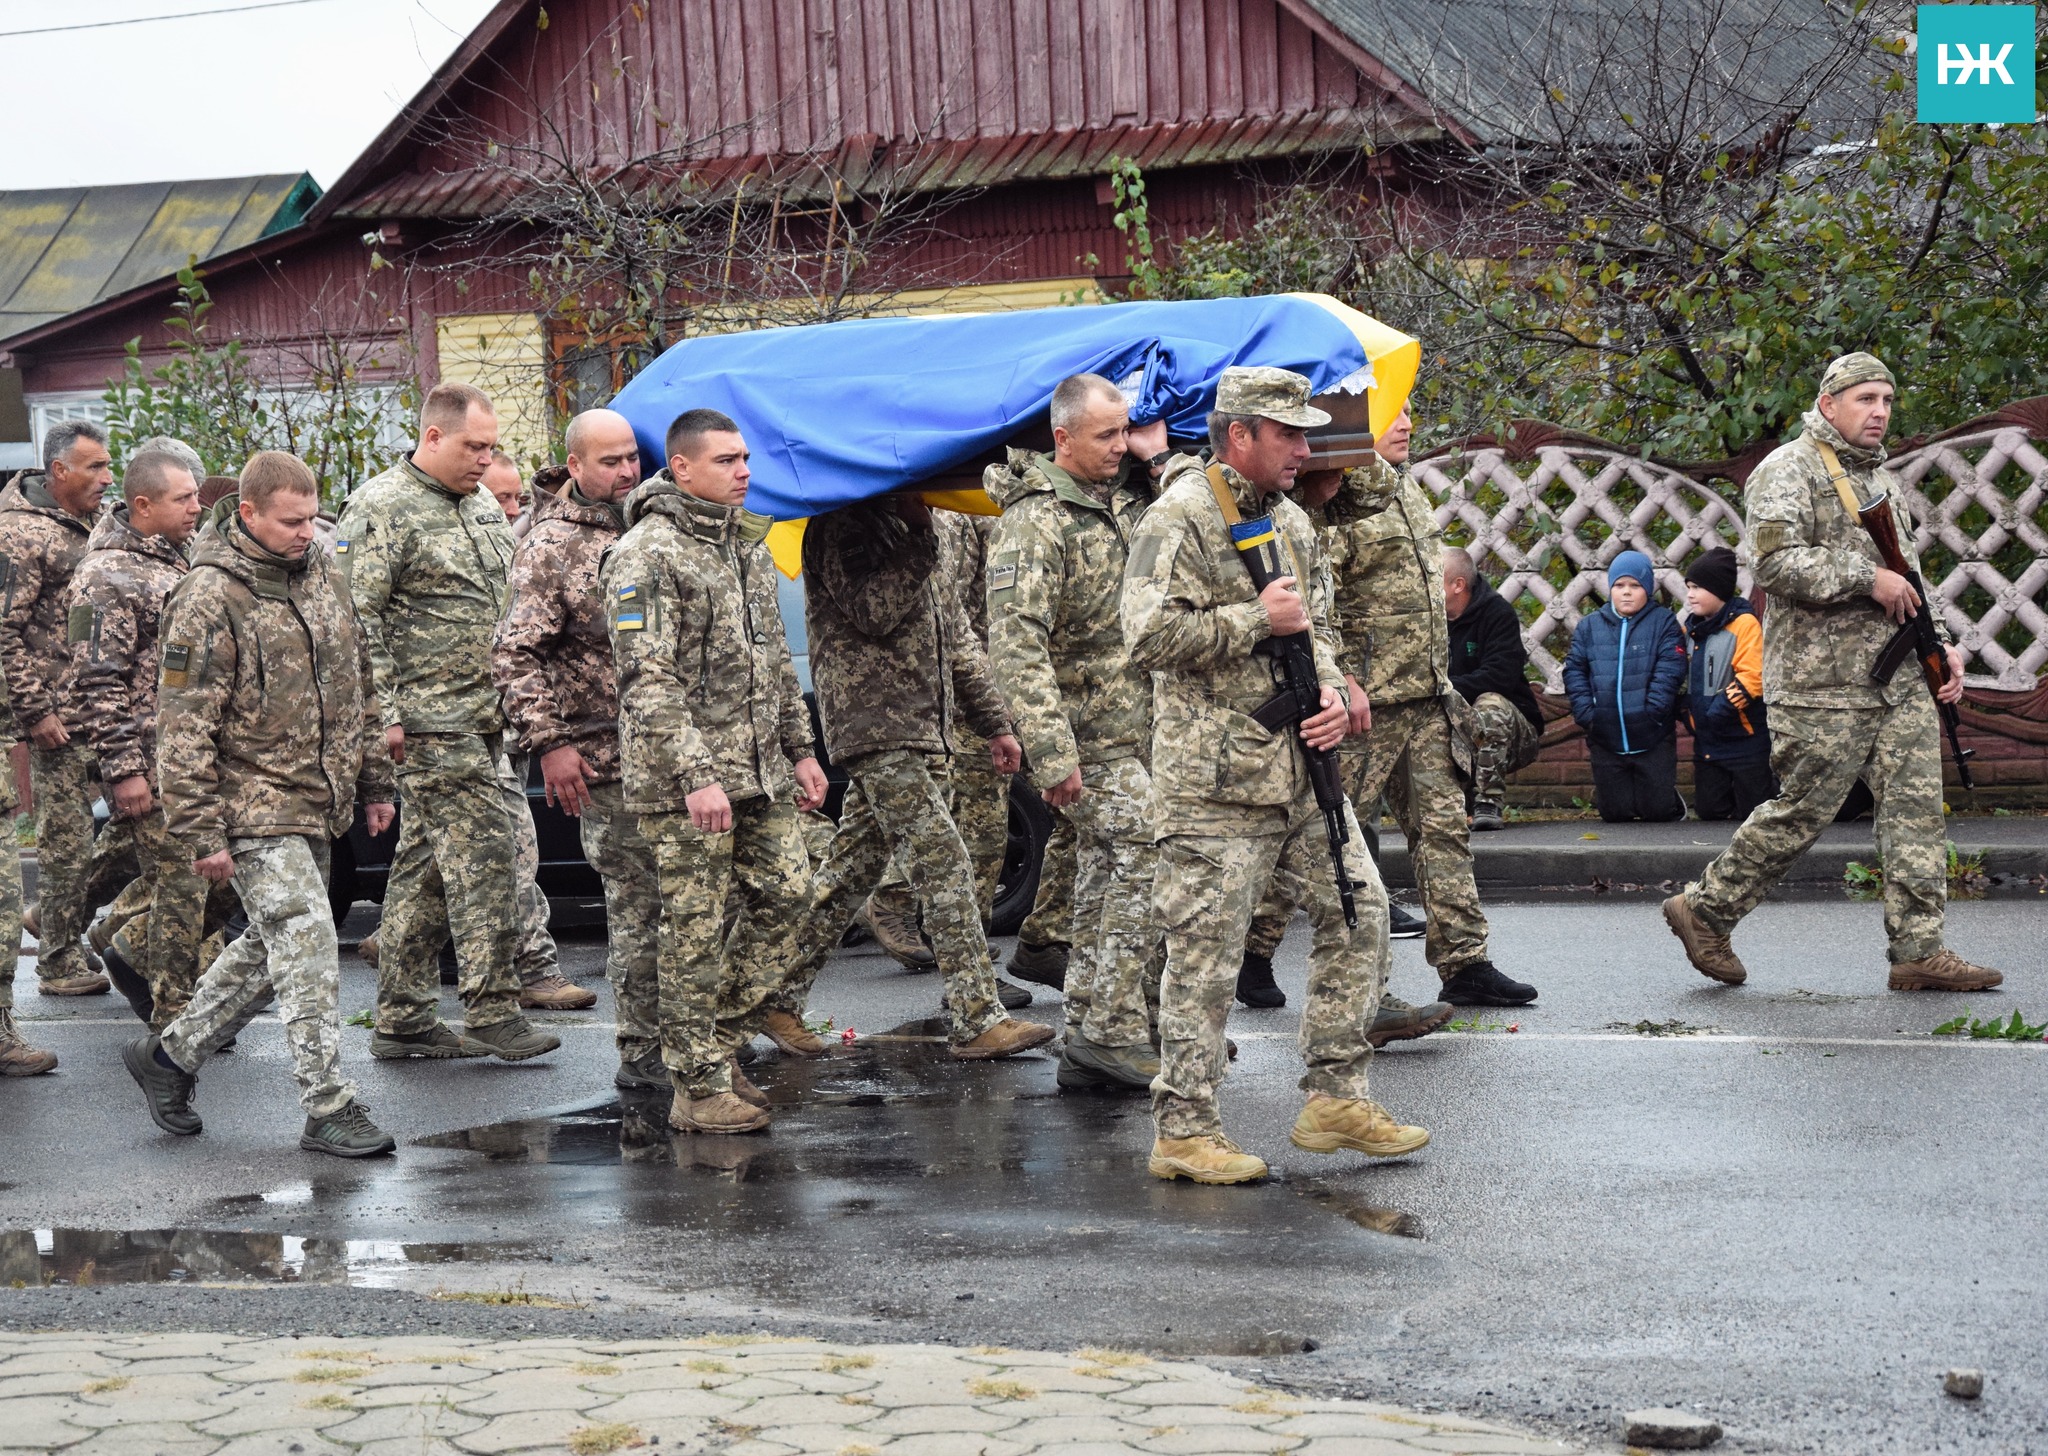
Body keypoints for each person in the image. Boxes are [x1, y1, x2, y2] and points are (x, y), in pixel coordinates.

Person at [1124, 365, 1426, 1185]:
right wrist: (1255, 618)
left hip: (1299, 774)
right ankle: (1183, 1130)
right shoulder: (1179, 515)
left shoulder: (1291, 518)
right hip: (1214, 785)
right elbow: (1144, 635)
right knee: (1205, 957)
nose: (1304, 447)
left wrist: (1329, 690)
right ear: (1238, 436)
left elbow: (1315, 627)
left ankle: (1335, 1097)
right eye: (1287, 433)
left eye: (1305, 432)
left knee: (1362, 915)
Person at [1665, 352, 2004, 992]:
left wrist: (1943, 644)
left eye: (1885, 400)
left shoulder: (1882, 479)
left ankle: (1919, 950)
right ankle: (1704, 910)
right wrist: (1862, 578)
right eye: (1865, 399)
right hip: (1822, 687)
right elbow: (1773, 565)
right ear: (1829, 405)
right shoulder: (1786, 470)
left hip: (1898, 679)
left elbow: (1907, 576)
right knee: (1802, 812)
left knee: (1916, 812)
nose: (1878, 411)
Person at [121, 451, 399, 1156]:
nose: (307, 532)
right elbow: (180, 727)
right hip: (248, 805)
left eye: (312, 517)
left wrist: (373, 783)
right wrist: (200, 831)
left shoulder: (323, 576)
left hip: (316, 799)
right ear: (247, 514)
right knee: (306, 937)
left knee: (267, 947)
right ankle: (327, 1105)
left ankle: (169, 1057)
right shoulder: (208, 597)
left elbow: (358, 685)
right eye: (291, 520)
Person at [1242, 406, 1533, 1014]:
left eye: (1409, 412)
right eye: (1388, 415)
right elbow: (1318, 601)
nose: (1405, 424)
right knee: (1326, 836)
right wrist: (1342, 679)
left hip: (1425, 696)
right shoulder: (1330, 501)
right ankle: (1254, 948)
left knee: (1444, 831)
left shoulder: (1406, 491)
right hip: (1364, 702)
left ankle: (1465, 961)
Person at [603, 408, 831, 1133]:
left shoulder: (745, 546)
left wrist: (800, 749)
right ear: (682, 468)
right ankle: (697, 1087)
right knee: (693, 930)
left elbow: (771, 659)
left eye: (745, 458)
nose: (744, 471)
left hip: (759, 769)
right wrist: (697, 774)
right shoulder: (647, 554)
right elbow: (648, 677)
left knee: (792, 895)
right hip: (685, 781)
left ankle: (716, 1042)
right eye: (728, 460)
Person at [769, 488, 1052, 1064]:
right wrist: (921, 536)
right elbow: (874, 611)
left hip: (923, 727)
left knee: (849, 874)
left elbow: (958, 639)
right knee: (944, 857)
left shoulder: (923, 525)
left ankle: (775, 997)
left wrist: (996, 722)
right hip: (872, 724)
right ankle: (976, 1015)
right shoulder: (841, 520)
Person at [337, 382, 559, 1063]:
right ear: (432, 437)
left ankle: (403, 1015)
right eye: (473, 446)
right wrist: (387, 720)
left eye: (491, 447)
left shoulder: (485, 502)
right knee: (490, 858)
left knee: (425, 870)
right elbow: (356, 622)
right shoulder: (380, 508)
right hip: (433, 723)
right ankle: (492, 1010)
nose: (484, 460)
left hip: (487, 715)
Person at [986, 373, 1162, 1091]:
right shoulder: (1035, 522)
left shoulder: (1114, 504)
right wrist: (1051, 753)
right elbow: (1016, 644)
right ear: (1062, 439)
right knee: (1145, 852)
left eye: (1125, 431)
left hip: (1135, 734)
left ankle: (1096, 1030)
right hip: (1083, 742)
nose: (1120, 446)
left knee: (1101, 877)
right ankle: (1111, 1031)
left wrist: (1152, 460)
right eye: (1106, 435)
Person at [493, 409, 662, 1089]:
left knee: (690, 905)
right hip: (603, 757)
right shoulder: (549, 545)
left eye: (632, 458)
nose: (626, 472)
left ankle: (697, 1041)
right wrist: (552, 744)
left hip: (670, 750)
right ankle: (643, 1055)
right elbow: (514, 653)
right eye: (611, 462)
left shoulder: (652, 524)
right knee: (638, 908)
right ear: (574, 468)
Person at [62, 448, 234, 1028]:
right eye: (183, 498)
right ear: (143, 505)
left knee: (213, 884)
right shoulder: (105, 575)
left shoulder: (177, 559)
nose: (196, 507)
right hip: (150, 762)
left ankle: (123, 944)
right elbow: (96, 678)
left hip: (192, 759)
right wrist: (124, 768)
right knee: (186, 886)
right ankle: (176, 1016)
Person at [1, 421, 114, 997]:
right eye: (94, 466)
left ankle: (55, 921)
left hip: (100, 708)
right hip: (54, 718)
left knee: (137, 826)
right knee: (68, 841)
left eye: (109, 464)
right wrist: (35, 710)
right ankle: (59, 960)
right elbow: (3, 630)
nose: (107, 476)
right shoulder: (19, 535)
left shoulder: (96, 526)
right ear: (59, 471)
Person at [1563, 551, 1688, 823]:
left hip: (1652, 736)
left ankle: (1668, 798)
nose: (1627, 593)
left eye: (1635, 586)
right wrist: (1587, 714)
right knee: (1615, 814)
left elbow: (1671, 667)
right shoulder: (1590, 626)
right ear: (1610, 588)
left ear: (1648, 588)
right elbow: (1574, 669)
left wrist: (1653, 710)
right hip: (1606, 736)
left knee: (1657, 812)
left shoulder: (1663, 622)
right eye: (1619, 586)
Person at [1443, 547, 1543, 831]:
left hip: (1514, 734)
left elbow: (1500, 677)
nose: (1422, 584)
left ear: (1457, 585)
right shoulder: (1429, 622)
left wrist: (1444, 689)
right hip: (1456, 722)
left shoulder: (1497, 614)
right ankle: (1443, 804)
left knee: (1489, 705)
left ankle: (1487, 801)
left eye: (1431, 577)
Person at [1681, 546, 1775, 821]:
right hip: (1707, 743)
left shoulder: (1744, 624)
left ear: (1719, 589)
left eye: (1697, 587)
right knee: (1710, 811)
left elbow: (1753, 675)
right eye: (1688, 587)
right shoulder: (1691, 631)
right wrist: (1685, 709)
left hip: (1744, 739)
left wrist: (1720, 709)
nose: (1690, 594)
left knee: (1755, 812)